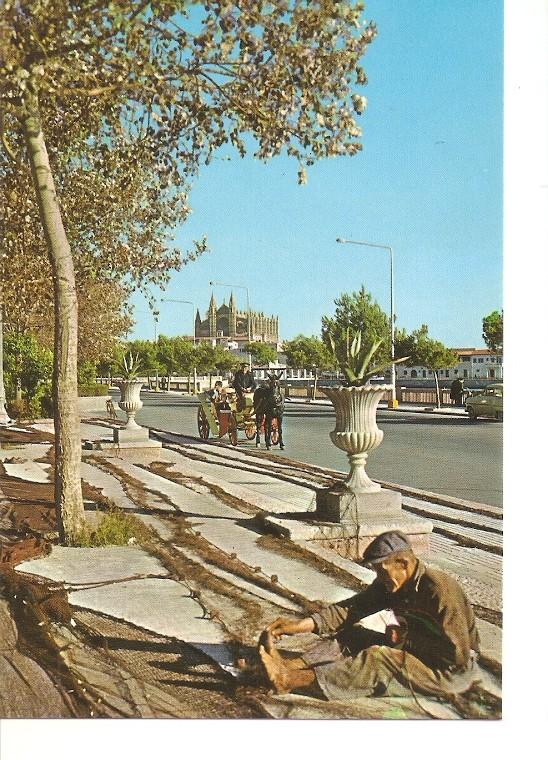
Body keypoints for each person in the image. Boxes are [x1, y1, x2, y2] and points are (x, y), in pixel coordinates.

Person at [258, 530, 480, 702]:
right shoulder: (393, 583)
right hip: (418, 651)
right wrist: (299, 626)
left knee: (378, 659)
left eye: (382, 571)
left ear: (403, 563)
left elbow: (456, 655)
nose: (379, 577)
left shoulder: (440, 591)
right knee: (356, 634)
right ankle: (293, 665)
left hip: (450, 674)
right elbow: (353, 608)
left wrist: (406, 641)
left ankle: (289, 680)